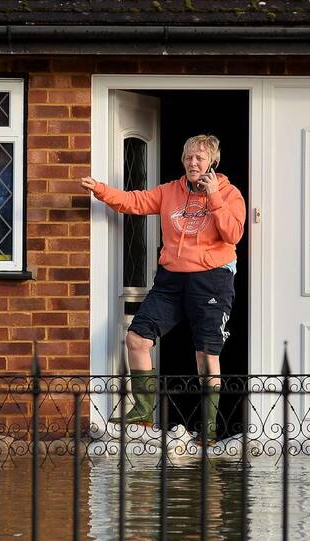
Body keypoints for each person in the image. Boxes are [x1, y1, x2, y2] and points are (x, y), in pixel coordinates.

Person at [80, 134, 246, 440]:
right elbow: (135, 201)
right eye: (188, 157)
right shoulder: (171, 191)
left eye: (199, 158)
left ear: (213, 161)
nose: (192, 163)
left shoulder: (230, 193)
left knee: (206, 354)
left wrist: (214, 198)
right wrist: (100, 190)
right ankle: (142, 412)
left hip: (212, 278)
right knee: (136, 338)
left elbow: (233, 234)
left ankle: (208, 429)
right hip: (171, 278)